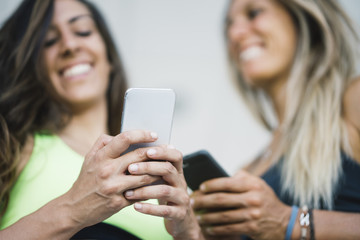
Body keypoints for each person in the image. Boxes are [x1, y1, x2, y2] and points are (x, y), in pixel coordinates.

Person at [0, 0, 203, 239]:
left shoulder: (164, 182)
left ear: (109, 58)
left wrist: (188, 230)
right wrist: (74, 208)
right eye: (49, 41)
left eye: (83, 31)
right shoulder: (12, 147)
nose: (70, 45)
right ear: (35, 67)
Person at [190, 0, 360, 239]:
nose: (235, 33)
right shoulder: (249, 169)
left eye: (254, 13)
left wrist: (288, 222)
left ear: (303, 21)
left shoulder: (353, 100)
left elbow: (281, 223)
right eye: (229, 25)